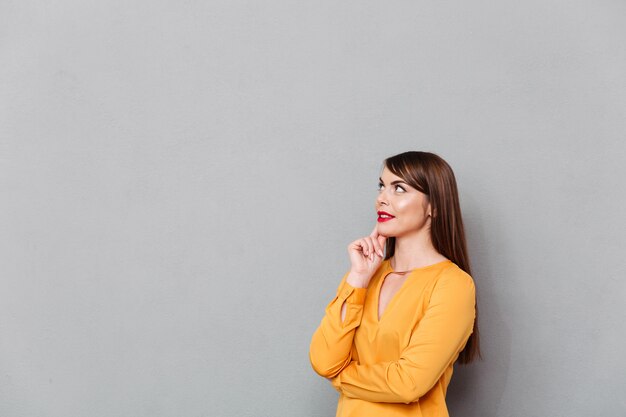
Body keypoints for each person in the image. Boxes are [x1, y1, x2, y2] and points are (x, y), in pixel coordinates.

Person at [309, 151, 480, 417]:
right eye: (382, 186)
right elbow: (323, 360)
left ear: (433, 205)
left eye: (399, 188)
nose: (382, 199)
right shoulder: (364, 276)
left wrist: (341, 376)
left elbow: (408, 383)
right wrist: (357, 279)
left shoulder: (453, 285)